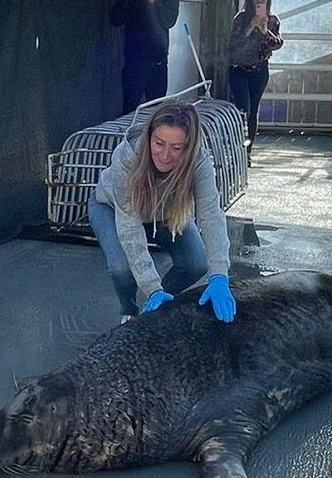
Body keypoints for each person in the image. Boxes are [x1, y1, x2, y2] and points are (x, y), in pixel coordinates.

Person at [87, 102, 236, 323]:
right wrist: (151, 286)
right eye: (159, 143)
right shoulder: (126, 158)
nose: (165, 155)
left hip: (166, 212)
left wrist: (219, 275)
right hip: (112, 207)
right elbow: (129, 227)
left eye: (177, 148)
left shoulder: (199, 162)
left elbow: (211, 215)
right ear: (149, 137)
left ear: (189, 147)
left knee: (196, 263)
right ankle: (129, 310)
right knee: (121, 268)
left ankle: (159, 304)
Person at [109, 0, 180, 113]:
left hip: (158, 64)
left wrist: (155, 1)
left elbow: (169, 21)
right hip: (134, 64)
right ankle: (129, 139)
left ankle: (152, 139)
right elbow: (116, 20)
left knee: (156, 112)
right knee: (129, 110)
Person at [227, 0, 284, 162]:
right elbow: (233, 45)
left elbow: (277, 44)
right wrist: (250, 27)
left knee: (253, 111)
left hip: (259, 70)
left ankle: (247, 152)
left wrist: (265, 30)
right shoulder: (241, 19)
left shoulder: (273, 20)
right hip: (239, 69)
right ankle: (236, 147)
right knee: (243, 108)